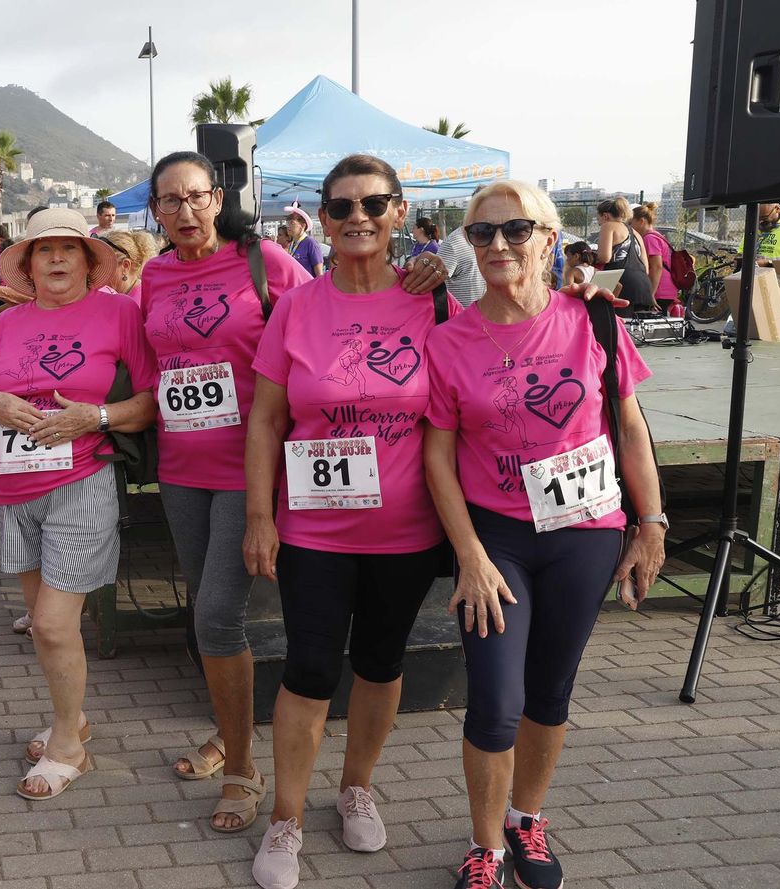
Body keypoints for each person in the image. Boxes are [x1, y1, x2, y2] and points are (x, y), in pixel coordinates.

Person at [422, 182, 665, 889]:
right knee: (496, 697)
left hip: (585, 529)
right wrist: (467, 553)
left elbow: (629, 427)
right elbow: (438, 453)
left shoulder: (593, 321)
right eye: (483, 234)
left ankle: (526, 815)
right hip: (497, 533)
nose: (499, 245)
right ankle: (484, 845)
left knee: (550, 690)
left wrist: (651, 524)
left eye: (516, 229)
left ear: (550, 238)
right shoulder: (450, 338)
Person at [243, 155, 458, 887]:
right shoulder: (299, 307)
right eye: (340, 207)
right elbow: (267, 419)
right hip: (313, 530)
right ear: (323, 220)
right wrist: (259, 515)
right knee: (307, 668)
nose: (356, 216)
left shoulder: (432, 302)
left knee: (380, 662)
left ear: (400, 212)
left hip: (405, 530)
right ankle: (286, 817)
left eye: (373, 203)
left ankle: (356, 784)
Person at [0, 208, 158, 801]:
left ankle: (70, 745)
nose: (58, 259)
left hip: (81, 482)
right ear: (28, 264)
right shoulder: (8, 325)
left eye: (71, 249)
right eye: (45, 251)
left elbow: (149, 402)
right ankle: (70, 718)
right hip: (13, 493)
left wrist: (93, 416)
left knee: (51, 622)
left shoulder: (119, 312)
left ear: (91, 261)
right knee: (46, 630)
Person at [138, 151, 315, 835]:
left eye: (196, 197)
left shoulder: (264, 262)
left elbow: (326, 316)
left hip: (252, 466)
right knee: (206, 616)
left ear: (219, 197)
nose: (185, 212)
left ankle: (242, 766)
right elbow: (150, 364)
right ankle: (227, 733)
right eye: (170, 201)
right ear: (155, 211)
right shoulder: (152, 275)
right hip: (182, 467)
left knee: (216, 615)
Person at [595, 197, 653, 312]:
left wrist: (590, 258)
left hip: (621, 284)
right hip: (644, 287)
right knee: (637, 328)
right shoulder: (636, 233)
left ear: (605, 216)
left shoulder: (608, 226)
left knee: (617, 327)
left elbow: (604, 258)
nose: (600, 224)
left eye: (599, 221)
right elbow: (646, 268)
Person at [631, 204, 678, 311]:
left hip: (659, 291)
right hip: (666, 289)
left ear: (641, 221)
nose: (630, 227)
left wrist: (651, 294)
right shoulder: (657, 236)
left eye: (631, 222)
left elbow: (657, 267)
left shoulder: (649, 239)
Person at [96, 230, 158, 303]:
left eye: (104, 267)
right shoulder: (117, 295)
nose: (96, 273)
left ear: (125, 266)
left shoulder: (141, 302)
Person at [284, 204, 324, 277]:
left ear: (303, 226)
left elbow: (319, 274)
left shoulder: (311, 243)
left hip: (309, 286)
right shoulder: (293, 243)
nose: (288, 226)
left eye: (292, 223)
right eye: (287, 223)